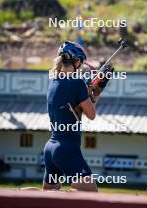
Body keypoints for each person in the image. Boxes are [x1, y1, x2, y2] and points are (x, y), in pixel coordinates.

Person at [43, 41, 99, 192]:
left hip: (50, 148)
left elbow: (71, 110)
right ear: (75, 61)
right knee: (91, 194)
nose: (81, 66)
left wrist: (87, 95)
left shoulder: (53, 81)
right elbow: (91, 115)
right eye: (80, 62)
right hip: (67, 148)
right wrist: (96, 94)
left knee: (48, 197)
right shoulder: (77, 83)